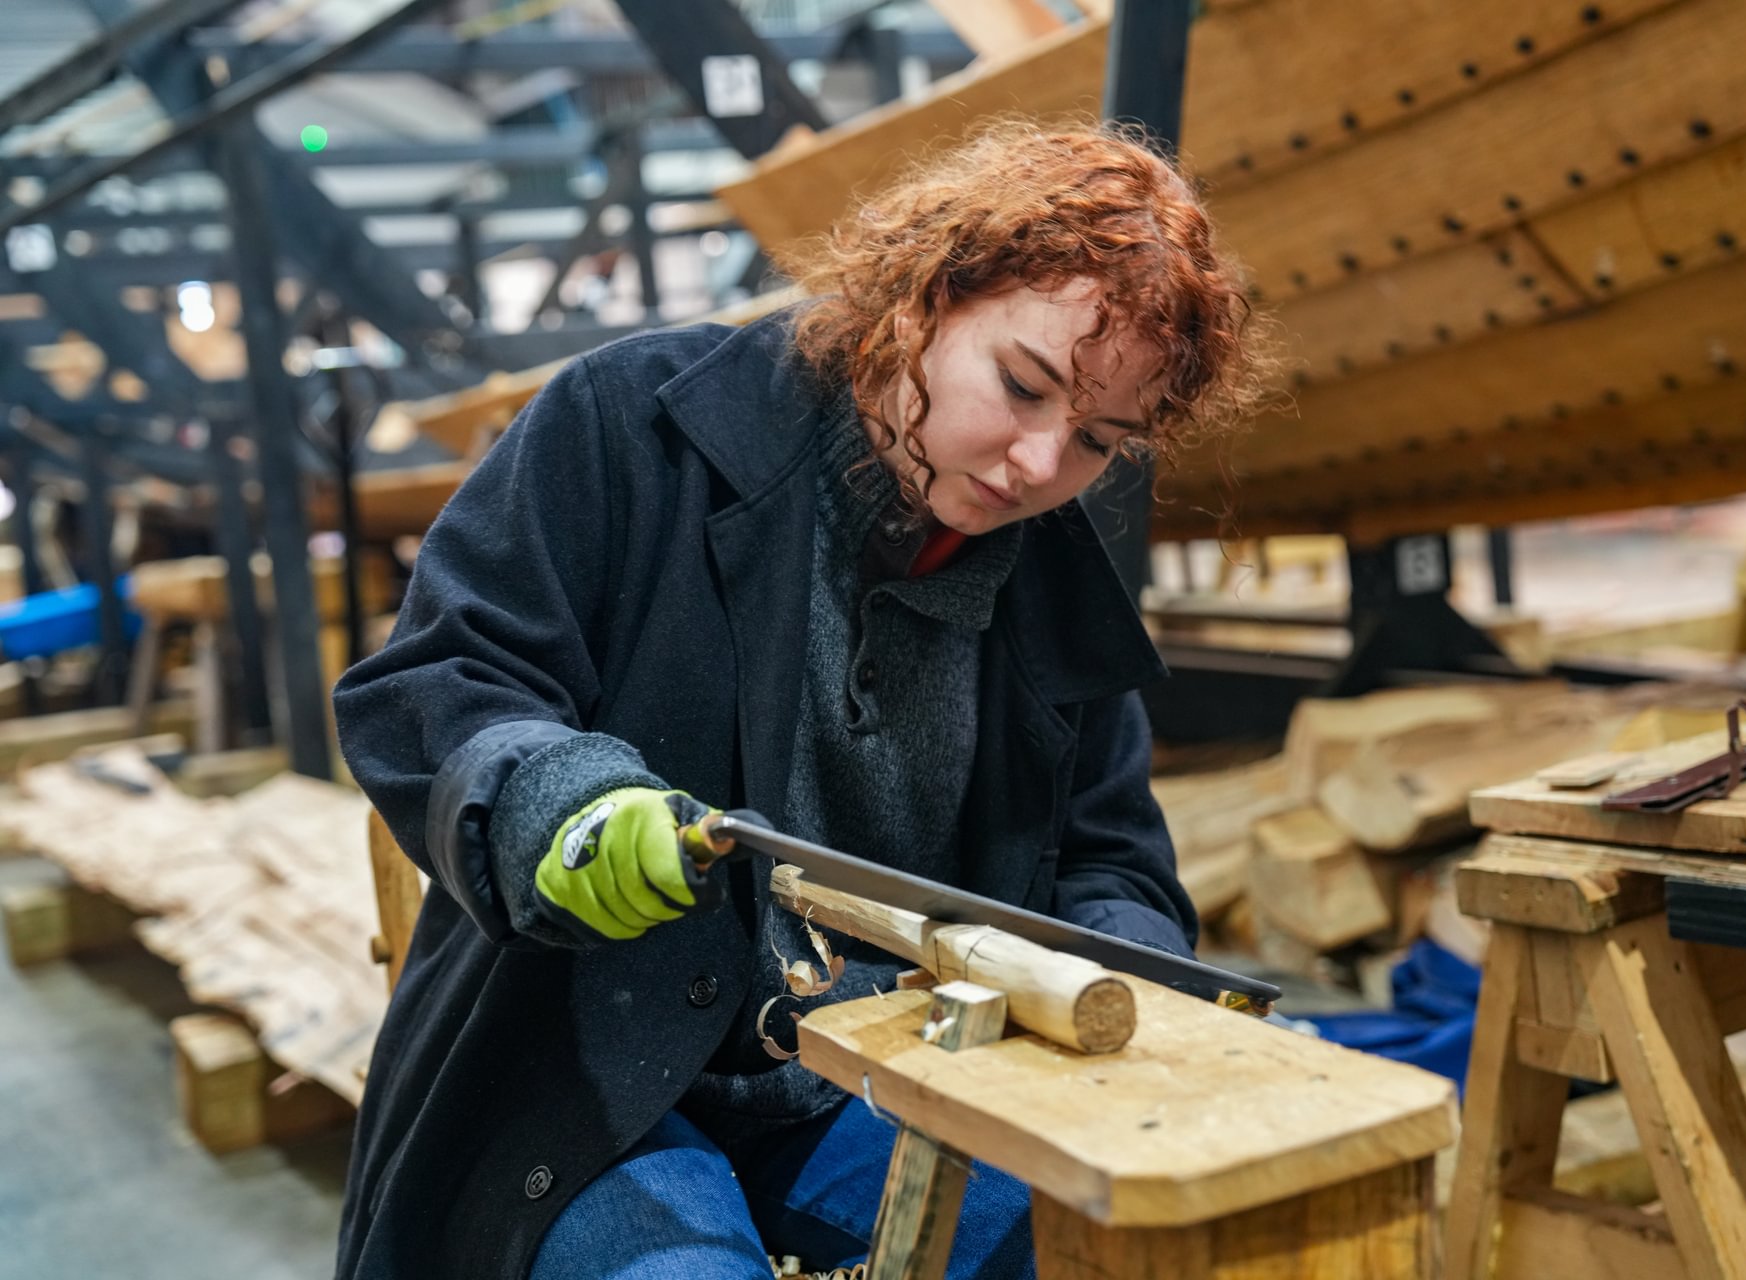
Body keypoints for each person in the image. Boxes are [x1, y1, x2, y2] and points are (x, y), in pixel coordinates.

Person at [331, 119, 1267, 1280]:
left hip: (879, 1076)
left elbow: (1110, 864)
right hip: (594, 1065)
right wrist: (553, 800)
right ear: (922, 294)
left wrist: (1119, 976)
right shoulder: (632, 425)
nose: (1038, 463)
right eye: (1022, 385)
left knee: (1119, 1243)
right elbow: (443, 677)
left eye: (1096, 438)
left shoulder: (1051, 582)